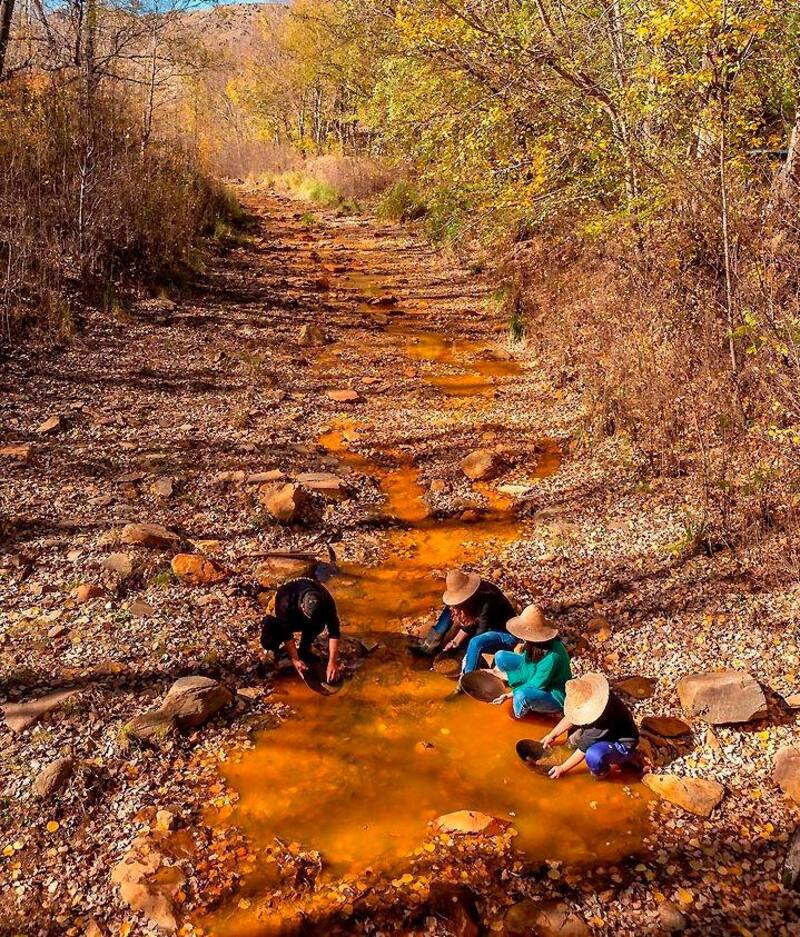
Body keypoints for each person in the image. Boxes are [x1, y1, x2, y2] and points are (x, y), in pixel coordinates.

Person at [541, 672, 639, 779]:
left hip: (622, 743)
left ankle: (603, 772)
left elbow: (582, 751)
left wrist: (562, 768)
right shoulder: (599, 695)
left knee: (593, 756)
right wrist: (552, 735)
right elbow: (572, 717)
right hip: (609, 730)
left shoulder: (601, 721)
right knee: (572, 739)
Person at [488, 605, 572, 717]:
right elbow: (526, 670)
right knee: (500, 656)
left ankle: (517, 715)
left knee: (520, 695)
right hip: (537, 677)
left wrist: (509, 695)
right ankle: (521, 696)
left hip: (552, 693)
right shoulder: (533, 645)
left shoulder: (553, 656)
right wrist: (497, 673)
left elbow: (537, 684)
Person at [417, 568, 516, 659]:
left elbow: (480, 631)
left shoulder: (487, 600)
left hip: (500, 629)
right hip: (481, 622)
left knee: (467, 647)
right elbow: (472, 621)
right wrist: (454, 642)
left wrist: (461, 646)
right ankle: (428, 646)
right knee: (448, 611)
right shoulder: (470, 600)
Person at [260, 577, 341, 683]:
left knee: (318, 624)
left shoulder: (326, 600)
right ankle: (277, 652)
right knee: (268, 640)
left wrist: (332, 662)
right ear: (302, 606)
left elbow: (334, 632)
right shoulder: (285, 598)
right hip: (283, 615)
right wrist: (295, 660)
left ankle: (304, 649)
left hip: (303, 616)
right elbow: (286, 633)